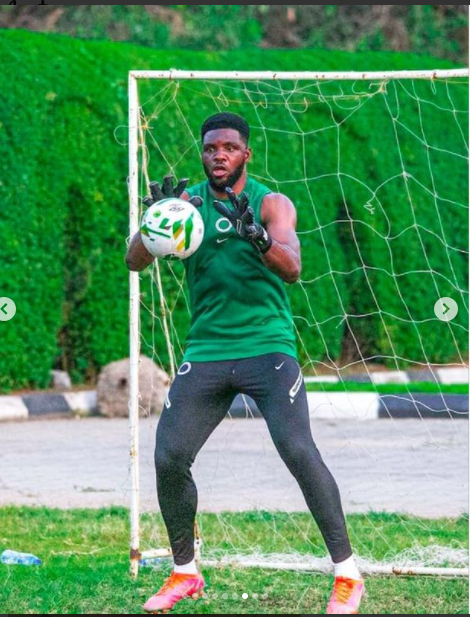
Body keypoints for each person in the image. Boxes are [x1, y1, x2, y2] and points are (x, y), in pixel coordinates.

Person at [126, 112, 365, 615]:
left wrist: (255, 235)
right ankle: (185, 572)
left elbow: (294, 268)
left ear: (245, 154)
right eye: (211, 148)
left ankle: (347, 575)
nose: (218, 156)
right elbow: (133, 261)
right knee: (169, 456)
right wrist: (152, 225)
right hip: (207, 351)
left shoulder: (271, 202)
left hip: (267, 348)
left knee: (298, 450)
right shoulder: (185, 203)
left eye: (229, 148)